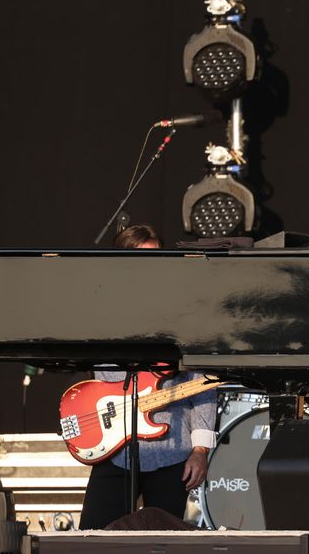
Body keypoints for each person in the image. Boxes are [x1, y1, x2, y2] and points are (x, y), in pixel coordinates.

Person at [78, 225, 217, 529]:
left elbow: (203, 386)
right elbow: (102, 374)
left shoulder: (185, 316)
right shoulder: (105, 313)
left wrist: (200, 450)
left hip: (173, 450)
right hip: (117, 449)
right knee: (92, 539)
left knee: (163, 548)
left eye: (155, 258)